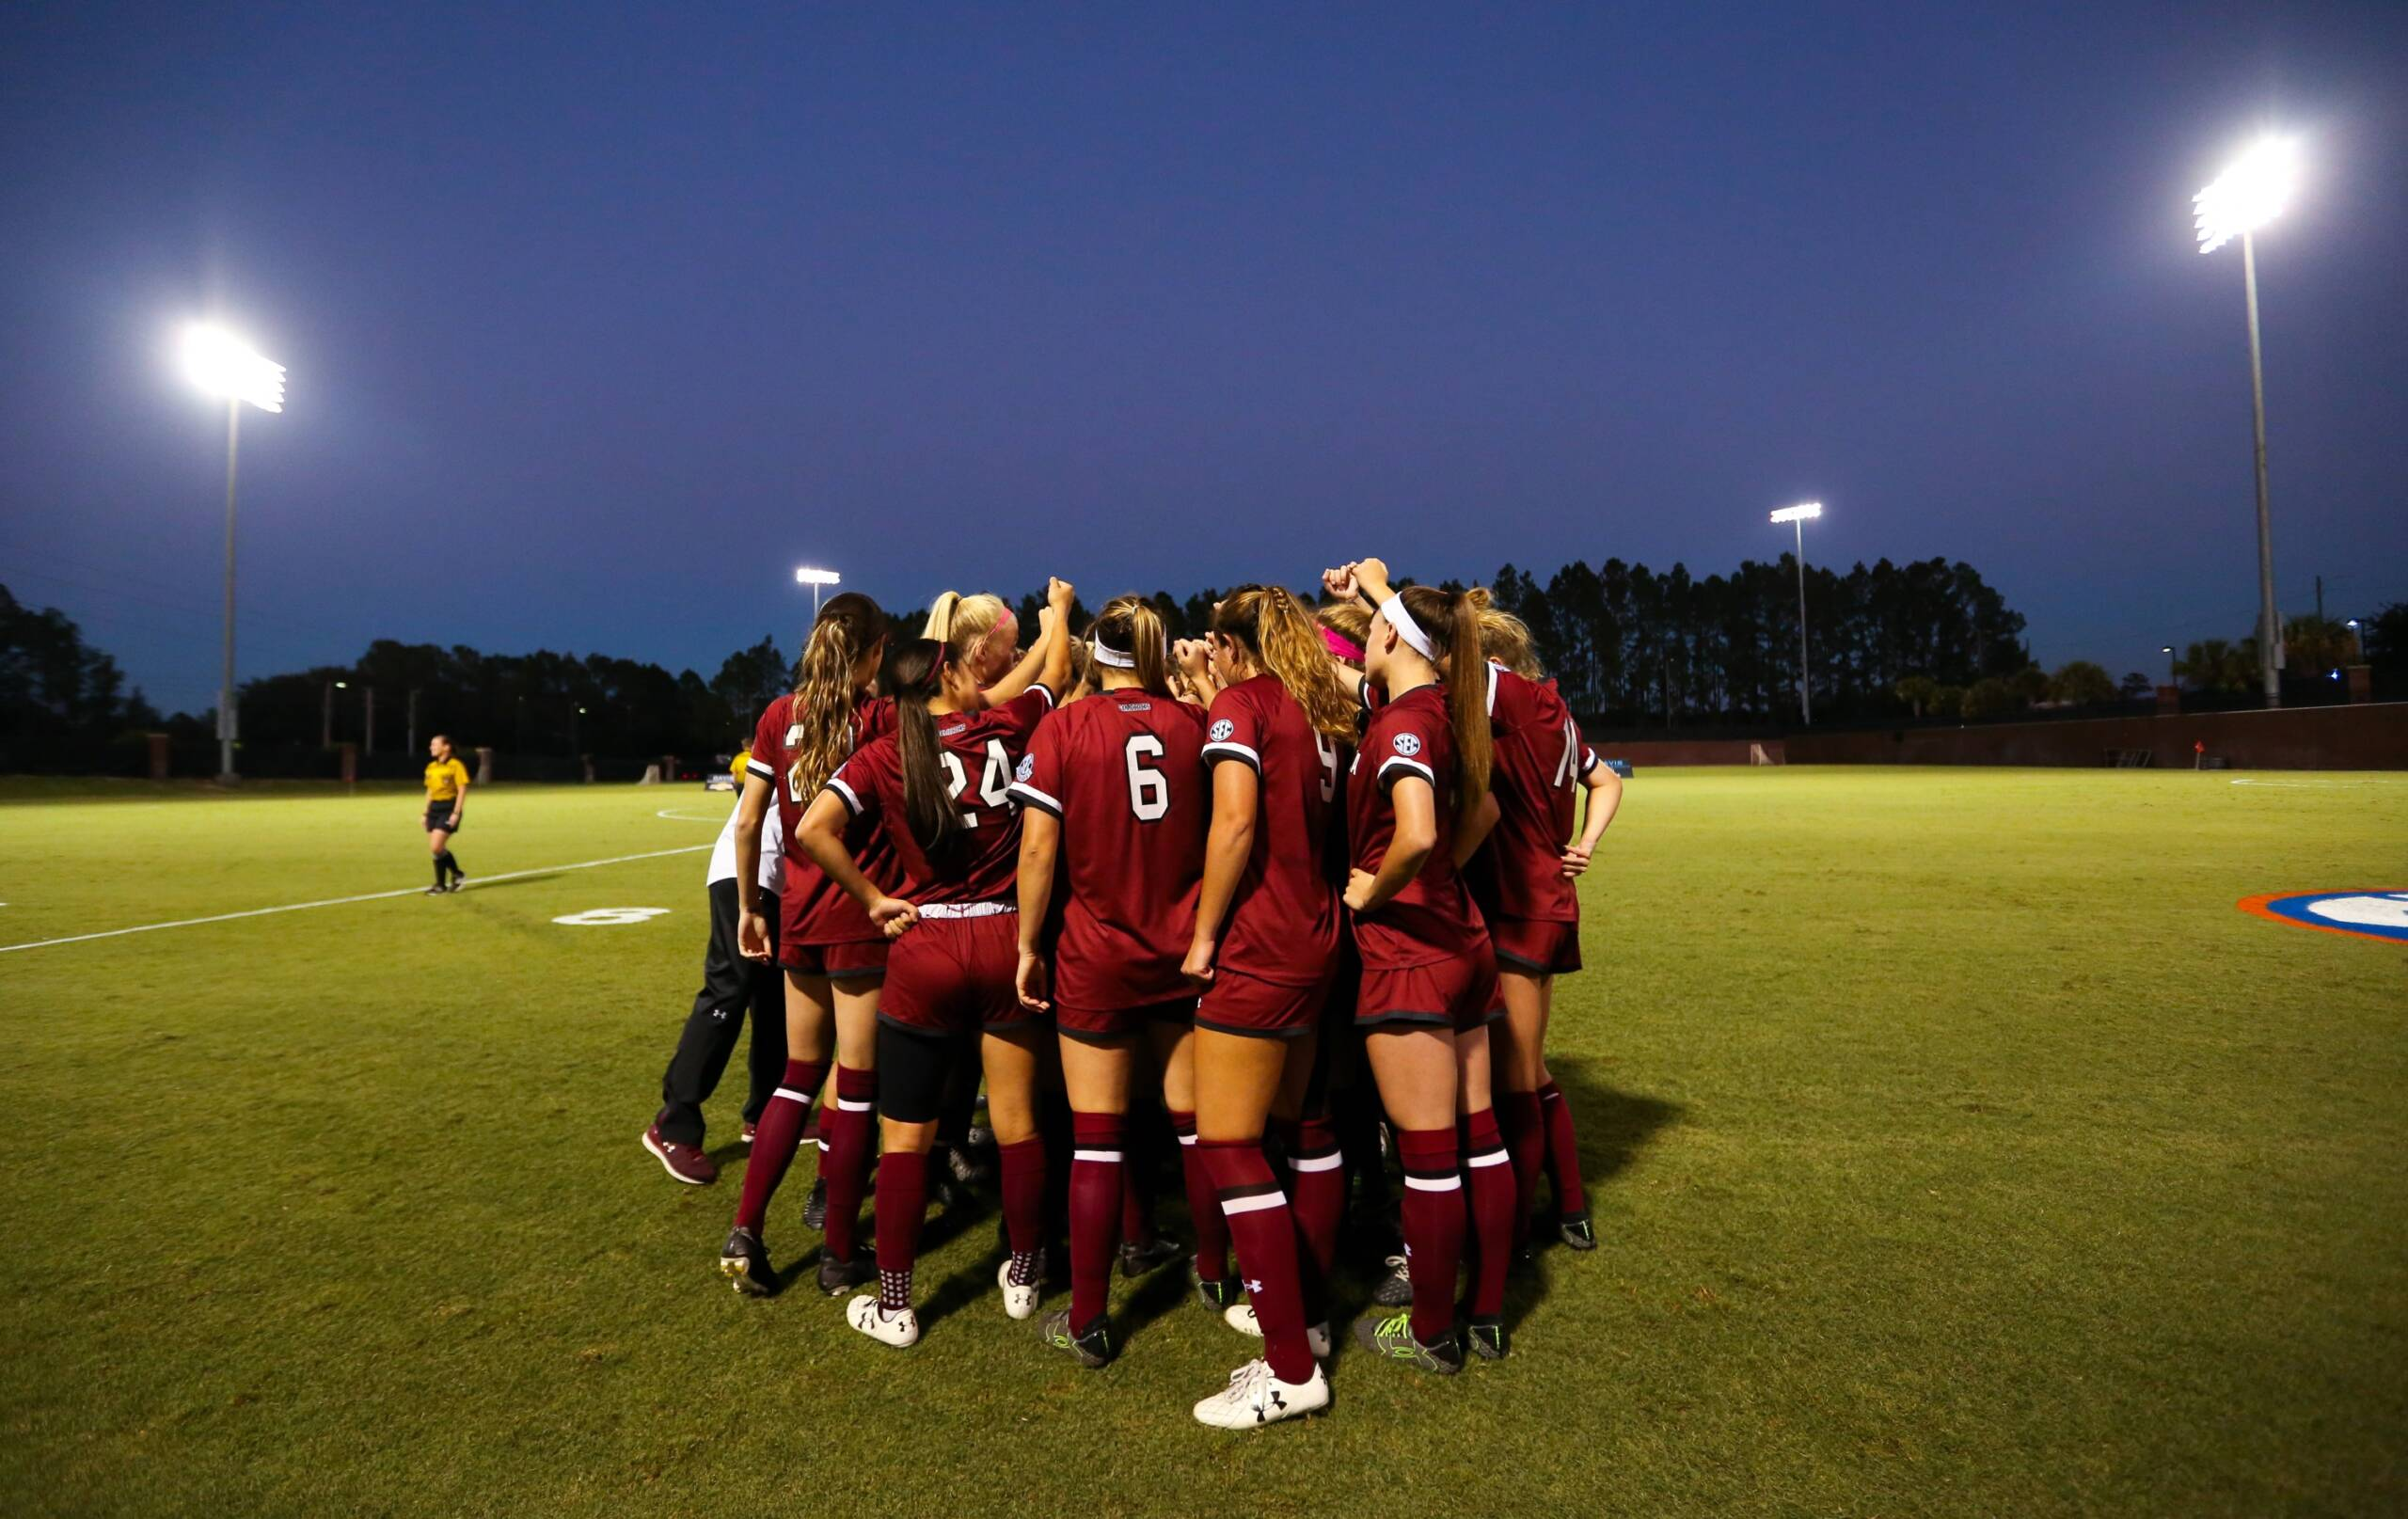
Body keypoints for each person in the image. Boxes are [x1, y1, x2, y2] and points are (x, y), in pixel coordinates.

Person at [798, 578, 1076, 1349]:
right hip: (1002, 940)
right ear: (951, 674)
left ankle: (895, 1303)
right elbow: (1051, 674)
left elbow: (816, 829)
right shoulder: (1008, 727)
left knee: (907, 1140)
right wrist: (1059, 614)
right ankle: (1024, 1270)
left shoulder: (887, 752)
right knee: (1018, 1127)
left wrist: (874, 897)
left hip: (924, 949)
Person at [1008, 596, 1208, 1368]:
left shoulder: (1064, 725)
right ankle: (1218, 1275)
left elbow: (1037, 848)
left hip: (1094, 953)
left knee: (1097, 1139)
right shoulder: (1193, 725)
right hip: (1181, 950)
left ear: (1097, 651)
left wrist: (1029, 944)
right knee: (1195, 1128)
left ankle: (1090, 1317)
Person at [1178, 585, 1357, 1428]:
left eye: (1213, 641)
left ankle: (1289, 1366)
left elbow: (1236, 824)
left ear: (1228, 643)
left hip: (1260, 945)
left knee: (1228, 1143)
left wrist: (1206, 933)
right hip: (1318, 939)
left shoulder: (1242, 704)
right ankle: (1311, 1321)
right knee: (1303, 1127)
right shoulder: (1318, 708)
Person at [1339, 561, 1514, 1370]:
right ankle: (1485, 1310)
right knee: (1480, 1136)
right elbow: (1480, 809)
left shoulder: (1405, 722)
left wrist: (1374, 893)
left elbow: (1413, 830)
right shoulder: (1449, 705)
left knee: (1429, 1156)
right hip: (1465, 939)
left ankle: (1433, 1331)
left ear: (1388, 636)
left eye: (1373, 621)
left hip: (1411, 953)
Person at [717, 592, 893, 1298]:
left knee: (796, 1074)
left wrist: (750, 908)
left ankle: (746, 1229)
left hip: (796, 916)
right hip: (854, 915)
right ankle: (839, 1250)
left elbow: (747, 820)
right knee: (854, 1090)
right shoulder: (874, 718)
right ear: (874, 652)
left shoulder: (777, 715)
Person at [1465, 600, 1623, 1254]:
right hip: (1542, 899)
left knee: (1517, 1077)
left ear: (1495, 664)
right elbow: (1607, 779)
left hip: (1523, 903)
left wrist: (1374, 599)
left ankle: (1519, 1230)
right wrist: (1585, 841)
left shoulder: (1521, 701)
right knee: (1531, 1067)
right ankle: (1572, 1203)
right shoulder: (1551, 711)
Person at [642, 764, 790, 1185]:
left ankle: (765, 1115)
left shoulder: (849, 720)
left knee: (775, 997)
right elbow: (749, 817)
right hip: (744, 873)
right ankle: (673, 1125)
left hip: (780, 879)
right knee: (731, 988)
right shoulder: (797, 718)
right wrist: (749, 906)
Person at [421, 735, 469, 894]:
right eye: (431, 744)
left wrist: (456, 812)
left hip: (449, 807)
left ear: (446, 747)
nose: (431, 747)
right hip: (434, 809)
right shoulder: (431, 767)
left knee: (436, 847)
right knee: (437, 849)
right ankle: (444, 882)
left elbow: (462, 789)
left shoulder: (455, 765)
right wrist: (425, 812)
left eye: (435, 744)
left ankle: (456, 876)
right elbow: (429, 790)